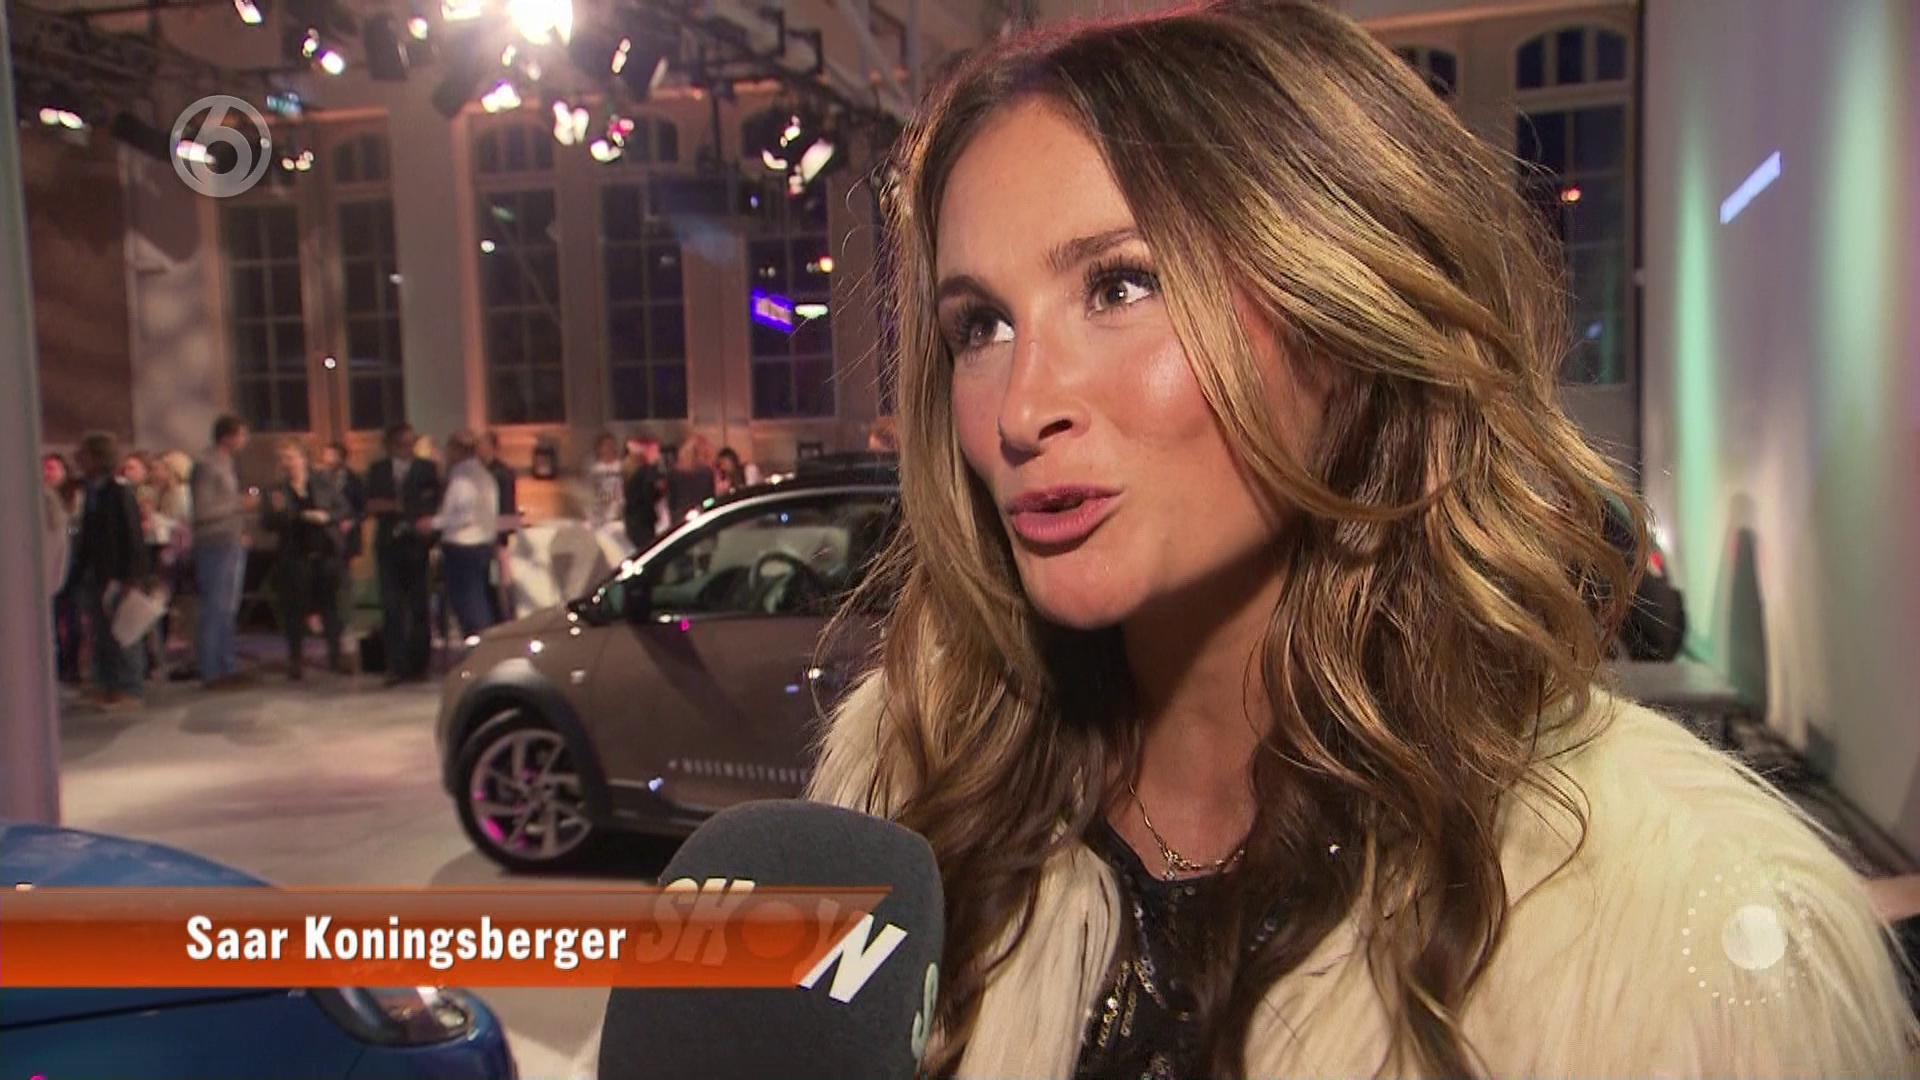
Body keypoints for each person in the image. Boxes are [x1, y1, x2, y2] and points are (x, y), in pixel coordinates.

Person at [799, 5, 1918, 1077]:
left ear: (1342, 317)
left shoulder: (1667, 934)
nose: (1020, 407)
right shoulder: (910, 787)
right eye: (981, 325)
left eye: (1121, 285)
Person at [70, 432, 150, 709]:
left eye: (85, 455)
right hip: (97, 572)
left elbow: (132, 535)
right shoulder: (91, 491)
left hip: (117, 573)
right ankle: (108, 684)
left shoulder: (118, 491)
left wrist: (132, 577)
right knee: (102, 633)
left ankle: (129, 687)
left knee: (123, 631)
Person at [260, 440, 350, 680]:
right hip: (294, 555)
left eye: (292, 457)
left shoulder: (321, 484)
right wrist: (292, 515)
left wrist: (326, 516)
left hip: (325, 553)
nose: (288, 463)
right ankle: (295, 660)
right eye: (284, 458)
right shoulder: (276, 490)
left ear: (303, 459)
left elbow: (344, 508)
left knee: (330, 607)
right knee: (294, 609)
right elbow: (267, 522)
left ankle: (335, 656)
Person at [366, 422, 441, 685]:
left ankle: (420, 664)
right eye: (400, 444)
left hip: (416, 545)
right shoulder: (378, 470)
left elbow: (433, 502)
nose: (406, 449)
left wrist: (425, 528)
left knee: (419, 606)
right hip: (388, 545)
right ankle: (395, 665)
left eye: (410, 444)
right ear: (389, 446)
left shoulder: (426, 469)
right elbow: (370, 503)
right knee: (392, 607)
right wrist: (393, 506)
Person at [189, 415, 255, 688]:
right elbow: (203, 510)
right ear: (228, 436)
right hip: (214, 543)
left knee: (229, 608)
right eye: (242, 435)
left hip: (231, 541)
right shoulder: (206, 465)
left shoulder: (228, 462)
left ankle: (227, 665)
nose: (245, 440)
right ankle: (211, 670)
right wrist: (239, 504)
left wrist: (241, 531)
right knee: (215, 607)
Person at [430, 430, 501, 641]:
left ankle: (479, 647)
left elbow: (462, 515)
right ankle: (484, 644)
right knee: (479, 598)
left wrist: (432, 523)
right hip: (483, 544)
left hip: (463, 547)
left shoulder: (462, 479)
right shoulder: (486, 476)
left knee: (468, 603)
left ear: (456, 451)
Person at [478, 431, 518, 623]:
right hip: (485, 534)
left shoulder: (501, 473)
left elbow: (507, 506)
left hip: (498, 535)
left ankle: (504, 619)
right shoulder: (480, 472)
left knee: (501, 582)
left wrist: (501, 535)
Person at [41, 453, 75, 678]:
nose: (47, 473)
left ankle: (68, 666)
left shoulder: (68, 498)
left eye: (52, 468)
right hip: (53, 567)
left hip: (69, 565)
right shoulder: (44, 497)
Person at [622, 435, 665, 552]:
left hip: (634, 520)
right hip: (642, 521)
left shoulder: (631, 472)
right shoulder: (644, 472)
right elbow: (649, 495)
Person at [666, 433, 716, 526]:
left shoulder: (674, 473)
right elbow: (711, 500)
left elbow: (671, 503)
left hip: (679, 519)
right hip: (702, 517)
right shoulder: (707, 473)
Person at [585, 432, 625, 530]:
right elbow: (589, 492)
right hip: (600, 513)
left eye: (611, 445)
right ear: (599, 449)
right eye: (606, 445)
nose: (609, 448)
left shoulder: (622, 467)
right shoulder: (594, 469)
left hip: (619, 514)